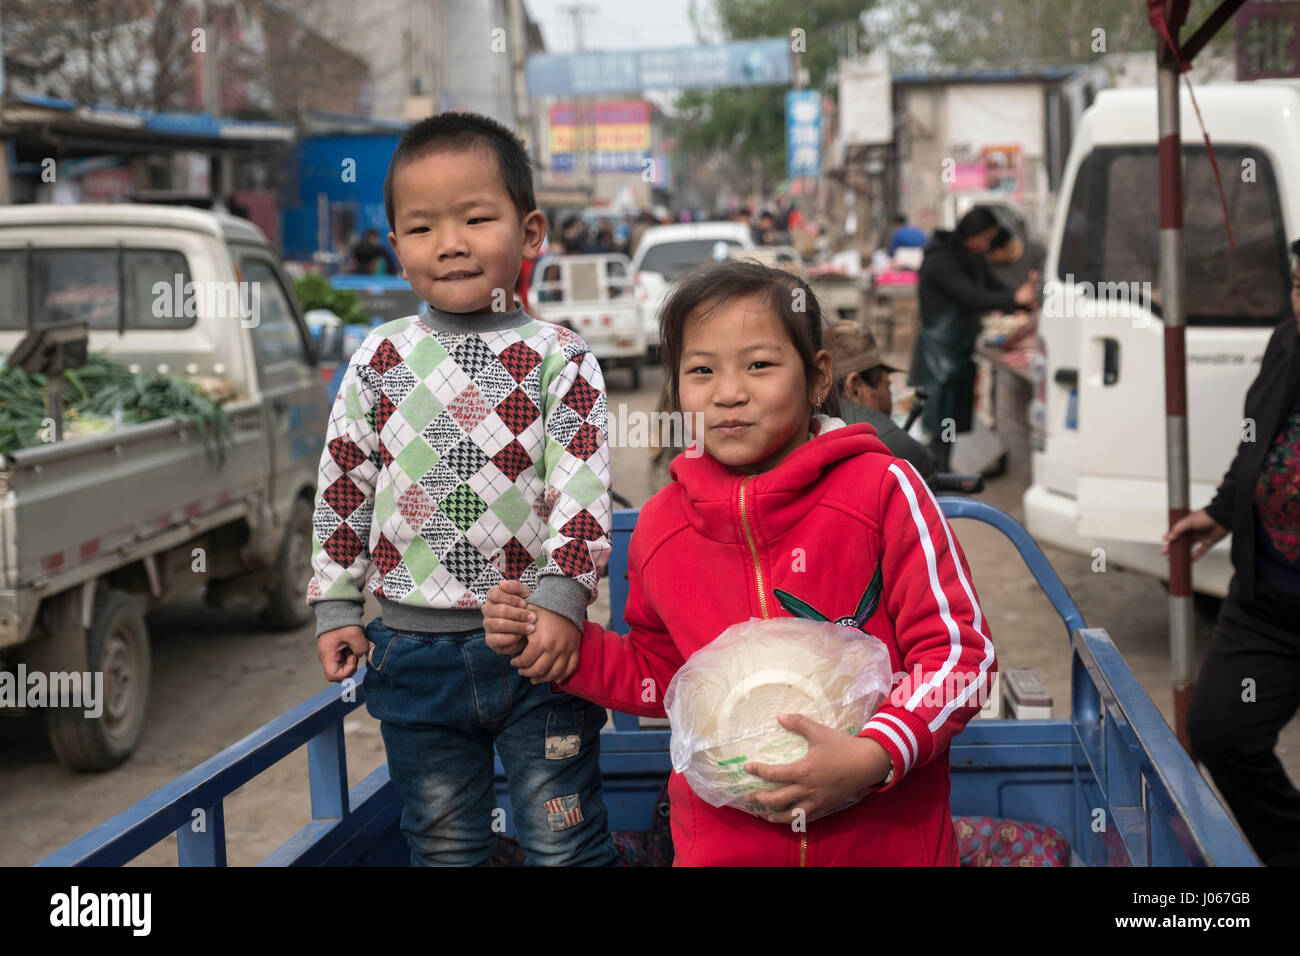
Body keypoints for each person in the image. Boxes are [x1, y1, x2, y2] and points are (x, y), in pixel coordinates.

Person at [483, 259, 996, 866]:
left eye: (759, 365)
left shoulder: (883, 490)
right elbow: (667, 676)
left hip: (887, 844)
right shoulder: (661, 527)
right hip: (723, 848)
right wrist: (564, 649)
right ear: (676, 388)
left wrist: (872, 755)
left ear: (818, 377)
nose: (729, 392)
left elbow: (960, 654)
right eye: (702, 370)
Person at [307, 111, 619, 867]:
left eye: (476, 218)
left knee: (564, 842)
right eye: (422, 228)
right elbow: (344, 484)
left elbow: (582, 487)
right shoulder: (380, 358)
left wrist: (563, 601)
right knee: (445, 846)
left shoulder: (560, 359)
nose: (450, 242)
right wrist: (336, 604)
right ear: (395, 249)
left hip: (538, 652)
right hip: (410, 655)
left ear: (531, 231)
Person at [1174, 238, 1300, 867]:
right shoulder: (1288, 343)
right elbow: (1257, 438)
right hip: (1271, 596)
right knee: (1220, 730)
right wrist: (1225, 510)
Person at [915, 206, 1038, 470]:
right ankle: (937, 480)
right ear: (971, 233)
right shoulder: (940, 261)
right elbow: (970, 296)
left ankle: (943, 473)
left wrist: (1023, 302)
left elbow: (992, 288)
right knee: (941, 424)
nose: (988, 244)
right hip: (939, 355)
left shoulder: (973, 257)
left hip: (958, 351)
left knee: (952, 423)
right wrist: (1015, 299)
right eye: (985, 237)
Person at [824, 321, 938, 486]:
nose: (889, 396)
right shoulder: (895, 444)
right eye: (887, 385)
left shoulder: (801, 425)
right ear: (855, 388)